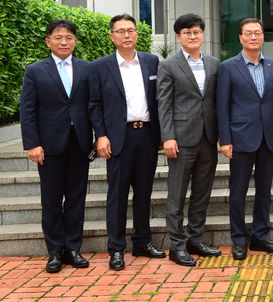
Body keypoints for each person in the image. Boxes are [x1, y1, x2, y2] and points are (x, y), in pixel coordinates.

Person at [89, 14, 165, 271]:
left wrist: (163, 134)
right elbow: (95, 104)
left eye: (130, 30)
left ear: (137, 34)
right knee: (118, 196)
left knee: (144, 193)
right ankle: (116, 249)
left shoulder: (152, 62)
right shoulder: (100, 66)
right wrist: (101, 135)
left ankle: (142, 242)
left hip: (147, 135)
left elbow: (161, 100)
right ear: (112, 37)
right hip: (118, 137)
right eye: (120, 31)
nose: (127, 35)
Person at [19, 19, 93, 273]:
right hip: (49, 146)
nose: (64, 42)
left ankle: (73, 248)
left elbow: (92, 105)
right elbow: (27, 110)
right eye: (59, 37)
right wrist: (33, 144)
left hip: (80, 143)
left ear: (75, 41)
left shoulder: (86, 69)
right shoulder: (35, 70)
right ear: (48, 41)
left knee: (76, 198)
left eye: (69, 37)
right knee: (51, 199)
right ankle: (54, 252)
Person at [217, 18, 273, 261]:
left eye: (258, 32)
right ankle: (239, 240)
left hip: (268, 138)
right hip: (240, 138)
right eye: (248, 33)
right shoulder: (228, 67)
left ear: (263, 36)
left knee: (264, 191)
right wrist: (225, 139)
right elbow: (222, 106)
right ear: (240, 38)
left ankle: (260, 236)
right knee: (238, 192)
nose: (253, 37)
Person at [156, 14, 221, 267]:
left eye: (196, 32)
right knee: (177, 195)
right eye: (187, 33)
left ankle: (196, 239)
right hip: (181, 140)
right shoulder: (168, 65)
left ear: (203, 34)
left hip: (208, 138)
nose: (192, 36)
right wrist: (168, 137)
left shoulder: (214, 63)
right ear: (178, 37)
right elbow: (164, 103)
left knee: (202, 194)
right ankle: (177, 245)